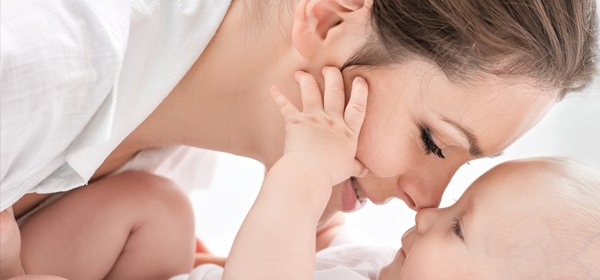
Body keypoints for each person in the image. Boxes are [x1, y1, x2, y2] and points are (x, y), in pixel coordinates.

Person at [1, 0, 598, 278]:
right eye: (434, 142)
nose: (428, 203)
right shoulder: (39, 62)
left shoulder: (175, 149)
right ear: (328, 20)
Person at [176, 77, 600, 280]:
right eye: (453, 205)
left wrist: (305, 171)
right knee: (160, 208)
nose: (426, 214)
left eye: (458, 227)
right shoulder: (381, 264)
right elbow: (329, 241)